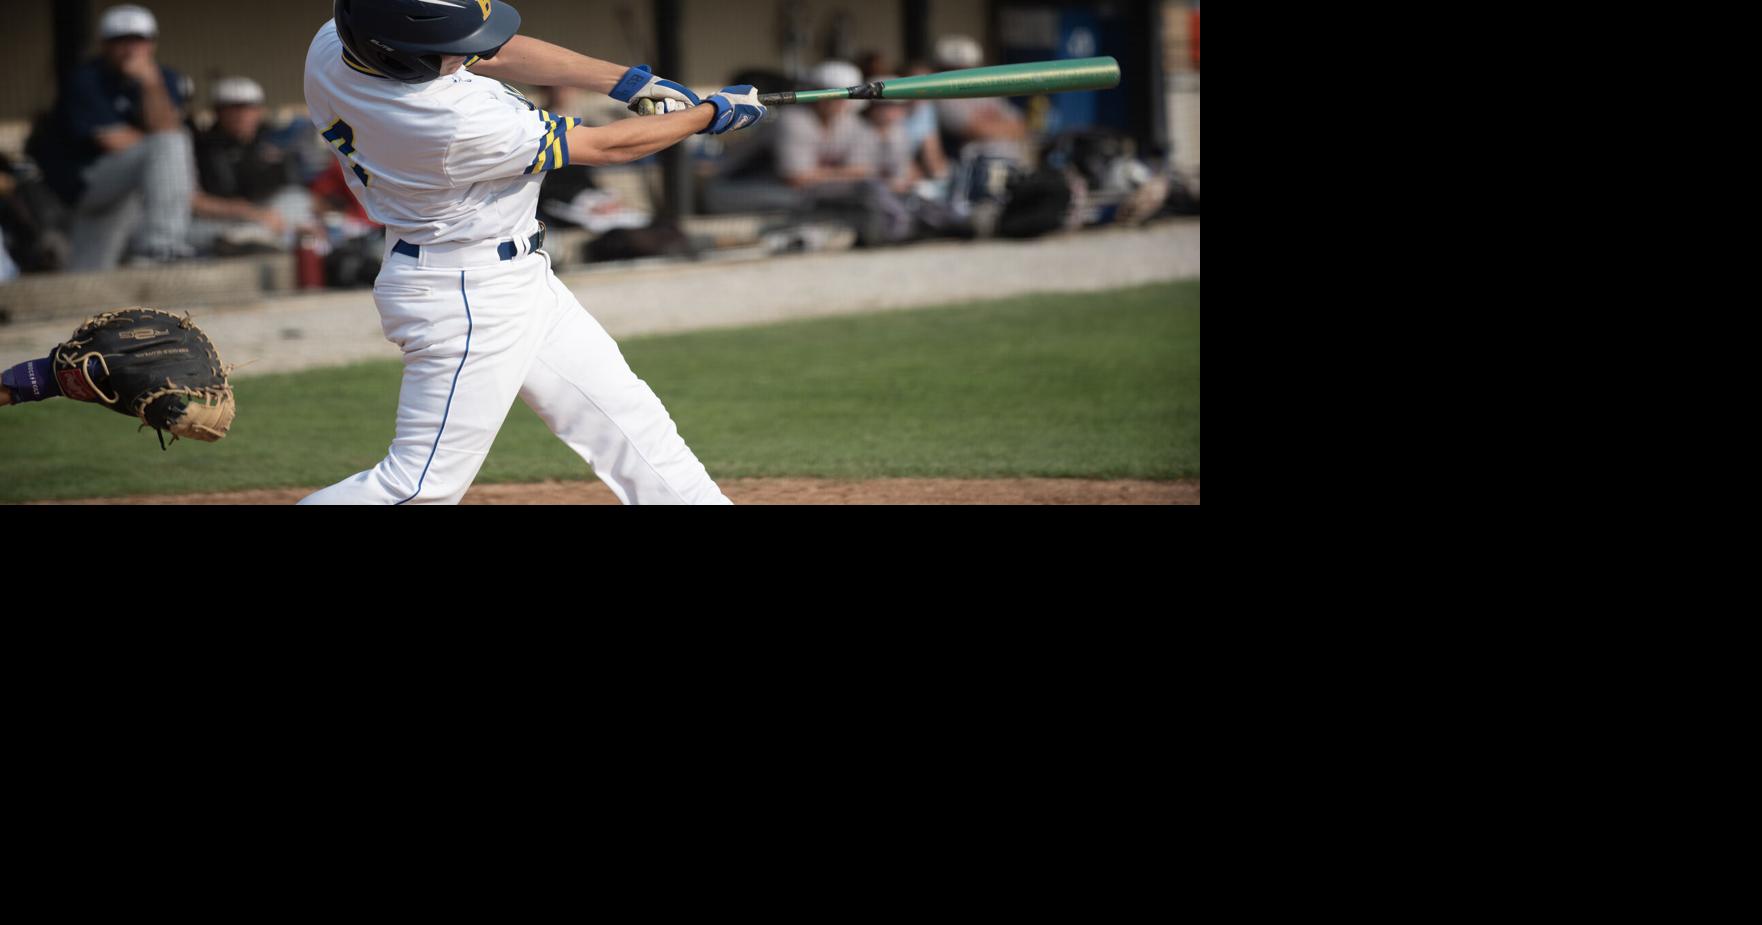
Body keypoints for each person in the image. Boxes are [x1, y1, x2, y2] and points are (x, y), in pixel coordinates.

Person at [297, 0, 764, 505]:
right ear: (401, 56)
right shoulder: (448, 123)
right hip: (467, 293)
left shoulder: (339, 42)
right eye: (448, 51)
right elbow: (608, 146)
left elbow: (493, 51)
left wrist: (628, 81)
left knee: (629, 422)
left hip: (511, 274)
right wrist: (708, 116)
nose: (467, 55)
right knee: (418, 486)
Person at [32, 5, 196, 270]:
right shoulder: (86, 78)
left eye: (138, 40)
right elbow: (114, 142)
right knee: (170, 145)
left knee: (88, 274)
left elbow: (166, 129)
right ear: (104, 45)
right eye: (120, 40)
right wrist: (153, 143)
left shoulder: (164, 78)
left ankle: (158, 249)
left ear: (151, 44)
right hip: (87, 183)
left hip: (125, 191)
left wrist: (151, 84)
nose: (130, 48)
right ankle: (162, 242)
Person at [774, 60, 912, 245]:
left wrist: (820, 173)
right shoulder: (793, 119)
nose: (835, 101)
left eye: (840, 94)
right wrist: (845, 173)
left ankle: (898, 229)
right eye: (827, 92)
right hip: (746, 180)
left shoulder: (850, 121)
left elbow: (863, 171)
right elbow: (796, 178)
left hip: (816, 192)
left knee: (878, 191)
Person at [189, 76, 315, 253]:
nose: (242, 115)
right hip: (219, 220)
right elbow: (193, 200)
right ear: (218, 111)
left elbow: (292, 191)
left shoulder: (271, 142)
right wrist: (249, 212)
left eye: (249, 107)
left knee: (297, 199)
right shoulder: (199, 147)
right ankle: (256, 239)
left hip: (267, 217)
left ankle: (258, 238)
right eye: (233, 108)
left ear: (259, 110)